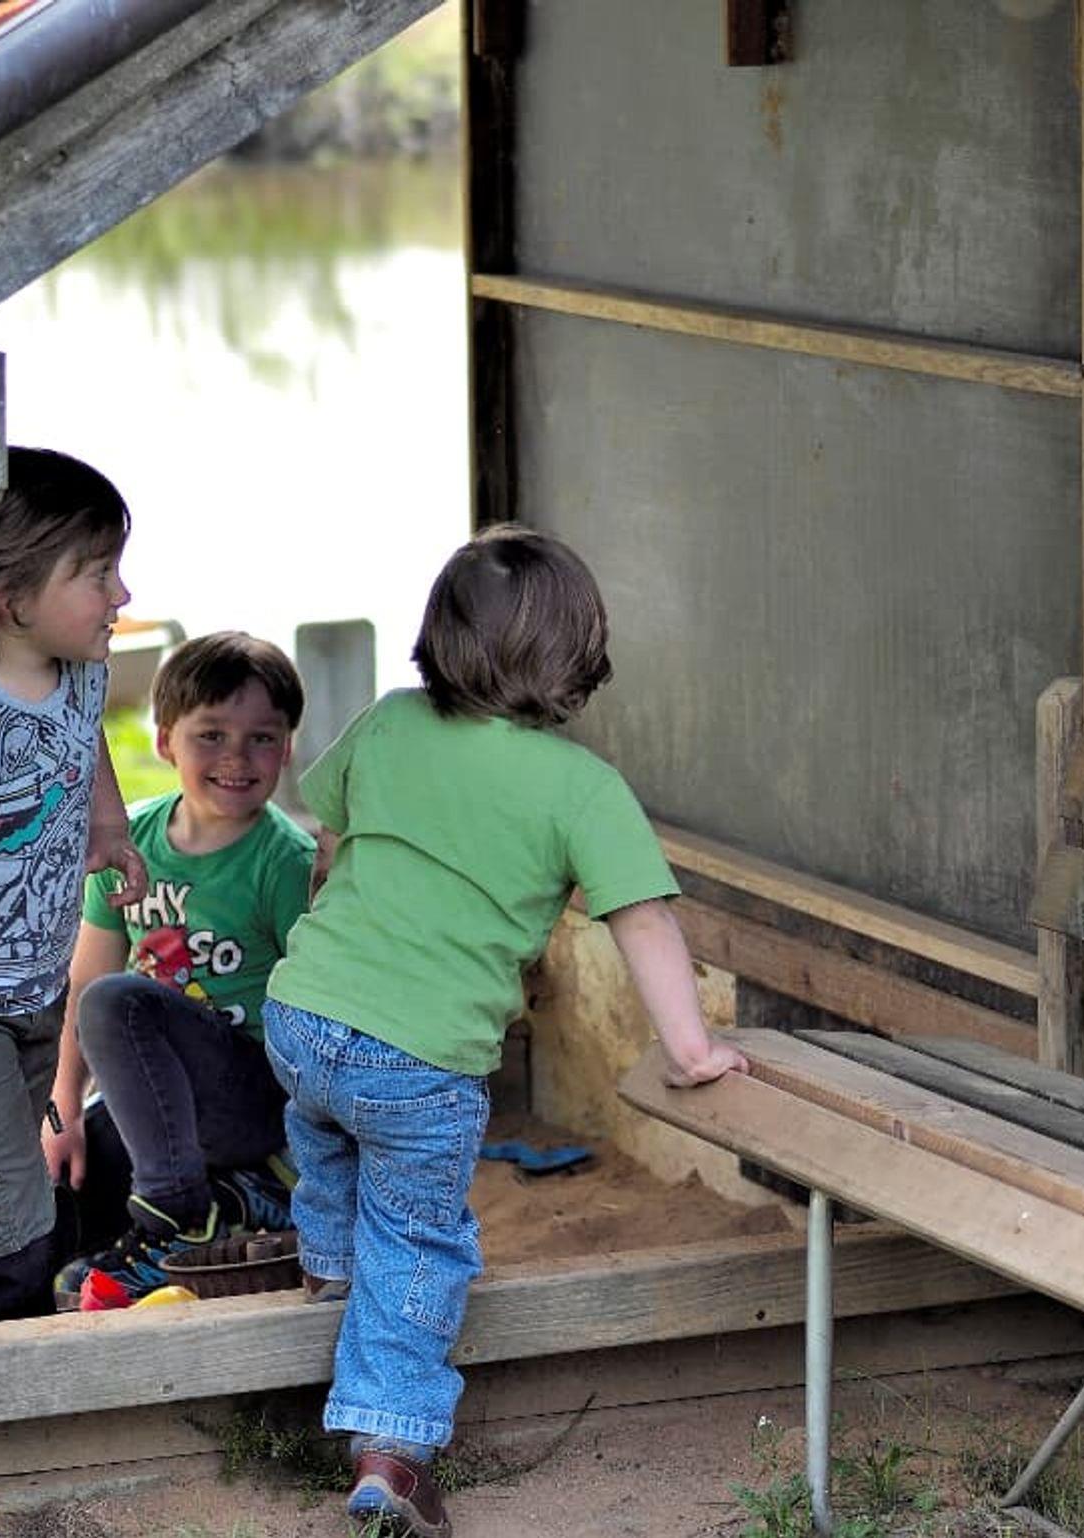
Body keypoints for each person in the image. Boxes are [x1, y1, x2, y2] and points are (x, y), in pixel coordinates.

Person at [261, 526, 749, 1538]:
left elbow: (331, 846)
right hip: (421, 1057)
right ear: (576, 654)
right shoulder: (580, 788)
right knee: (419, 1236)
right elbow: (642, 919)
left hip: (302, 1013)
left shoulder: (388, 722)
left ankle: (327, 1270)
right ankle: (390, 1453)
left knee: (327, 1132)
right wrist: (693, 1049)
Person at [0, 446, 148, 1328]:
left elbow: (84, 740)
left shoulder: (81, 673)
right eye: (98, 574)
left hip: (35, 995)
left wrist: (108, 825)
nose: (121, 594)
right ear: (14, 599)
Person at [43, 632, 316, 1307]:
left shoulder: (284, 862)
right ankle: (214, 1212)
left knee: (118, 1002)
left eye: (261, 738)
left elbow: (319, 1006)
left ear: (287, 748)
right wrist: (64, 1104)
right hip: (160, 1103)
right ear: (166, 742)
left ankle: (188, 1210)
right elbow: (83, 979)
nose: (236, 758)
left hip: (250, 1102)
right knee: (69, 1185)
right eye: (211, 735)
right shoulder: (131, 842)